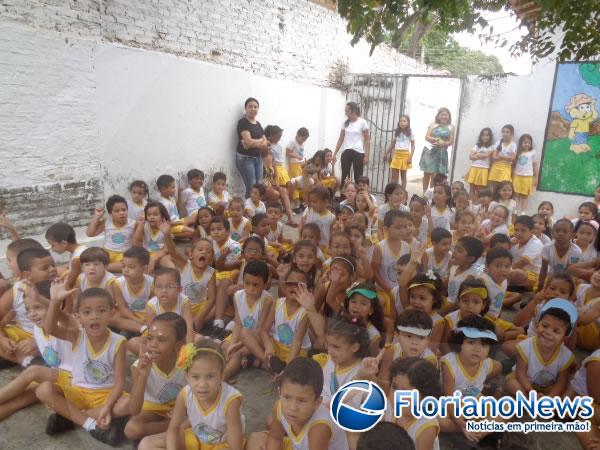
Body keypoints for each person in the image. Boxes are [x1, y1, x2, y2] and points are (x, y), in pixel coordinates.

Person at [36, 286, 128, 446]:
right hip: (78, 393)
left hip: (104, 395)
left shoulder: (119, 341)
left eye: (101, 311)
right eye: (87, 312)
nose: (94, 317)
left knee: (131, 403)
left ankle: (71, 419)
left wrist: (107, 406)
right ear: (78, 317)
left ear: (112, 313)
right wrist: (55, 301)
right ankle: (90, 424)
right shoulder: (77, 335)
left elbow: (120, 382)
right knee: (43, 389)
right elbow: (49, 328)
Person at [139, 339, 244, 450]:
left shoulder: (231, 401)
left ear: (222, 375)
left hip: (222, 445)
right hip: (197, 440)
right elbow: (173, 429)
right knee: (146, 444)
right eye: (195, 377)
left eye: (210, 376)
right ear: (187, 376)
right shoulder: (185, 394)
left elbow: (235, 447)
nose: (202, 384)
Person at [246, 357, 348, 450]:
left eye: (301, 401)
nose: (292, 407)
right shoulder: (279, 407)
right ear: (279, 393)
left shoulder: (319, 428)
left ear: (317, 402)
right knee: (255, 439)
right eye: (286, 397)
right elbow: (275, 438)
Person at [120, 312, 187, 442]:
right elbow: (134, 410)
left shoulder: (188, 362)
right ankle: (179, 425)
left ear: (178, 345)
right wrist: (143, 375)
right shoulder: (138, 366)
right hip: (154, 409)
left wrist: (183, 410)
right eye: (150, 338)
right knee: (131, 429)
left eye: (161, 340)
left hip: (182, 408)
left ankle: (179, 424)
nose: (152, 345)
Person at [506, 299, 576, 397]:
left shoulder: (565, 356)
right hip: (525, 382)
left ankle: (544, 402)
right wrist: (530, 390)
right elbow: (520, 372)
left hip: (549, 387)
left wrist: (550, 397)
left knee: (566, 390)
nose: (548, 332)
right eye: (545, 326)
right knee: (512, 383)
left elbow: (561, 382)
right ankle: (527, 399)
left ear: (564, 338)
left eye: (556, 331)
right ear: (537, 325)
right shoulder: (526, 346)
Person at [87, 194, 141, 272]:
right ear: (110, 213)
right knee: (91, 257)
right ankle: (105, 267)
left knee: (128, 264)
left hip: (124, 255)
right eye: (117, 211)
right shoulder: (107, 223)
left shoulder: (133, 224)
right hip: (107, 254)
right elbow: (90, 233)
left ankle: (104, 267)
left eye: (124, 209)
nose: (121, 213)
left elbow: (138, 242)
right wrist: (97, 216)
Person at [236, 97, 268, 198]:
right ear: (245, 108)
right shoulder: (243, 122)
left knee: (259, 186)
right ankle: (248, 211)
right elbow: (249, 143)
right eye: (250, 106)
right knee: (252, 186)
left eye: (255, 107)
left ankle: (255, 209)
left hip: (258, 158)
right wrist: (259, 141)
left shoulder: (258, 124)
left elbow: (265, 142)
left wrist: (253, 142)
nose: (253, 109)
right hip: (245, 158)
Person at [419, 107, 455, 193]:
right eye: (442, 114)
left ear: (449, 116)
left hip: (441, 153)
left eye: (446, 115)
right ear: (438, 116)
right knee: (427, 173)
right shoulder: (433, 124)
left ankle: (431, 194)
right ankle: (424, 193)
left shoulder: (451, 127)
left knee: (435, 175)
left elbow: (451, 141)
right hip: (430, 151)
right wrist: (437, 140)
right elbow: (427, 137)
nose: (444, 116)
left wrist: (444, 143)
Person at [333, 102, 370, 184]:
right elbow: (340, 139)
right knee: (345, 176)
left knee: (358, 177)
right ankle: (344, 196)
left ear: (353, 111)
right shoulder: (345, 123)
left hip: (358, 153)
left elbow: (367, 140)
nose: (345, 113)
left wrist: (366, 156)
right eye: (345, 111)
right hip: (346, 152)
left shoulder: (362, 122)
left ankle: (358, 196)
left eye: (347, 111)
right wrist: (334, 153)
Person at [45, 222, 86, 289]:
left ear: (64, 243)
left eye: (53, 245)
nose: (52, 249)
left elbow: (69, 285)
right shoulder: (80, 249)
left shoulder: (77, 259)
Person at [385, 115, 415, 189]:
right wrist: (386, 153)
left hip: (405, 156)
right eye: (401, 121)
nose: (402, 123)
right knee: (394, 176)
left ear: (408, 123)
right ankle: (393, 192)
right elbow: (392, 144)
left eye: (404, 121)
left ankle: (403, 193)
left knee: (403, 176)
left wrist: (410, 157)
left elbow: (413, 146)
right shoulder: (397, 133)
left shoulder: (410, 134)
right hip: (396, 155)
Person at [512, 134, 538, 213]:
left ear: (531, 144)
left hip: (527, 177)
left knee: (524, 196)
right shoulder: (517, 153)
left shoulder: (532, 153)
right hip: (517, 176)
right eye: (524, 142)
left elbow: (535, 165)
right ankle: (515, 210)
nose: (526, 144)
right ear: (521, 143)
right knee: (516, 195)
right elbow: (513, 164)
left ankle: (523, 212)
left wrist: (536, 177)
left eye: (528, 142)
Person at [466, 128, 494, 201]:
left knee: (480, 189)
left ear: (490, 137)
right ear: (481, 136)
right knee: (472, 187)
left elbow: (486, 155)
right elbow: (470, 156)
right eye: (483, 135)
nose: (485, 137)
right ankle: (471, 202)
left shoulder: (491, 146)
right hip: (474, 168)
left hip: (483, 169)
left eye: (487, 135)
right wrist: (480, 155)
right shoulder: (477, 146)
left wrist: (477, 154)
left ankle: (478, 204)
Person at [286, 127, 310, 207]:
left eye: (305, 139)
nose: (303, 141)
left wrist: (303, 161)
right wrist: (298, 157)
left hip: (300, 165)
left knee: (301, 183)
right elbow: (288, 152)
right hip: (294, 165)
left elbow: (301, 155)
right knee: (295, 183)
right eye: (303, 139)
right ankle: (295, 203)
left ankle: (300, 202)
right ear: (298, 135)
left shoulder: (302, 144)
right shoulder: (293, 142)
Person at [488, 124, 517, 190]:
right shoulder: (498, 143)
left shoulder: (513, 144)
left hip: (506, 168)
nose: (505, 134)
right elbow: (494, 157)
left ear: (511, 133)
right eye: (503, 132)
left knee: (504, 186)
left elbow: (512, 158)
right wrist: (506, 157)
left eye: (507, 132)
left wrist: (501, 156)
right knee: (494, 187)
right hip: (496, 166)